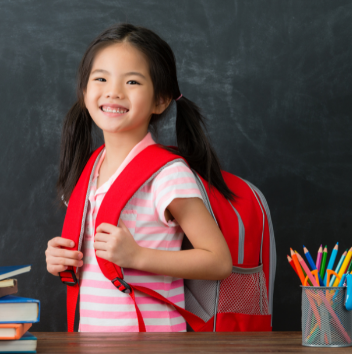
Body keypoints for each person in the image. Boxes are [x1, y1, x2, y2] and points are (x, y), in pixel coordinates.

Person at [45, 23, 233, 332]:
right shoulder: (87, 171)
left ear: (160, 100)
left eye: (132, 81)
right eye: (101, 78)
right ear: (84, 91)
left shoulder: (168, 176)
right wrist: (61, 260)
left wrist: (137, 256)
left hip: (155, 344)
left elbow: (218, 261)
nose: (114, 91)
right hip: (91, 340)